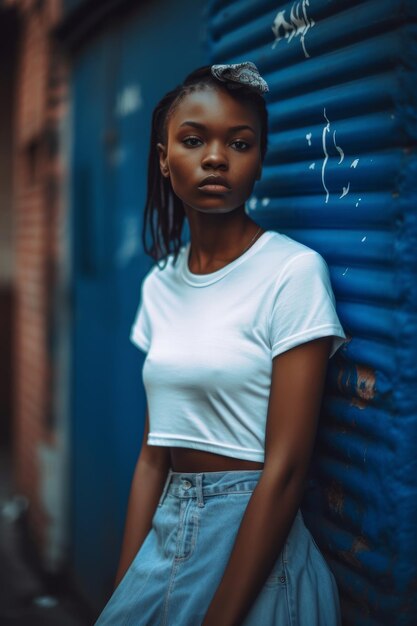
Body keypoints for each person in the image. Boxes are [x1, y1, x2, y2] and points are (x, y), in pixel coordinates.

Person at [94, 62, 348, 626]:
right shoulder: (158, 284)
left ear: (259, 160)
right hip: (167, 529)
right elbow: (153, 454)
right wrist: (125, 587)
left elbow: (286, 468)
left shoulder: (292, 272)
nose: (215, 157)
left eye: (239, 142)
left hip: (256, 541)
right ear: (163, 158)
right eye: (193, 140)